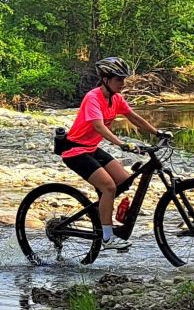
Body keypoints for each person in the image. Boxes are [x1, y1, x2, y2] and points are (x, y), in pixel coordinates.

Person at [61, 57, 171, 251]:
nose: (123, 83)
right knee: (109, 187)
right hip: (74, 151)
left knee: (124, 180)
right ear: (106, 79)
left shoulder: (116, 98)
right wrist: (121, 144)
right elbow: (98, 126)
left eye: (124, 79)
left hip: (91, 148)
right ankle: (107, 237)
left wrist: (157, 133)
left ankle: (100, 211)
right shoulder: (93, 98)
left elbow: (134, 118)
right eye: (119, 79)